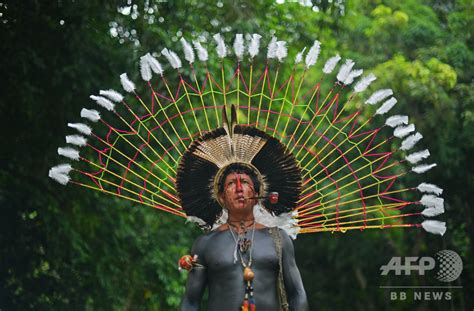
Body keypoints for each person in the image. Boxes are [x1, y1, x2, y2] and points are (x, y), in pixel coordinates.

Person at [178, 163, 309, 310]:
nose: (239, 189)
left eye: (245, 182)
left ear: (257, 194)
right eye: (231, 183)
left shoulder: (279, 239)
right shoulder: (205, 243)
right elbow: (190, 301)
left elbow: (297, 294)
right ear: (221, 197)